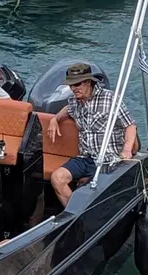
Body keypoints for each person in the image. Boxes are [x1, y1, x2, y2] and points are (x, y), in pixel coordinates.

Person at [45, 63, 137, 206]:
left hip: (108, 160)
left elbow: (130, 126)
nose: (73, 88)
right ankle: (76, 213)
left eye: (77, 84)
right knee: (57, 178)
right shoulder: (74, 102)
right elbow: (67, 109)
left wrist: (126, 150)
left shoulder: (110, 99)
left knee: (92, 191)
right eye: (71, 85)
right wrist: (54, 119)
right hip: (85, 158)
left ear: (88, 82)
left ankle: (81, 212)